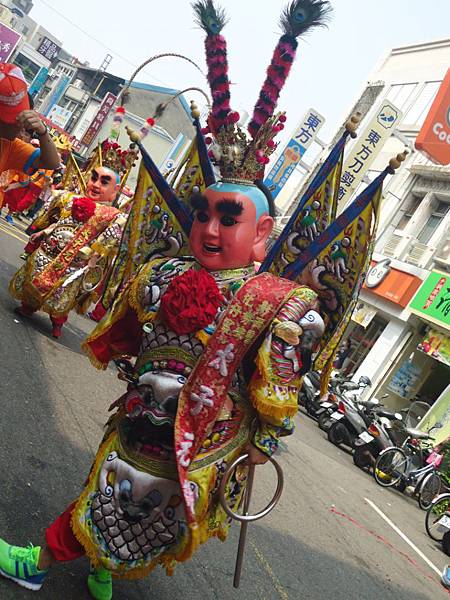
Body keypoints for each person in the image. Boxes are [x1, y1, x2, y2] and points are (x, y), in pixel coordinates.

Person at [1, 3, 381, 599]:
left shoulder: (278, 302)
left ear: (261, 235)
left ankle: (41, 561)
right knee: (108, 481)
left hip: (199, 432)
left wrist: (263, 442)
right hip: (139, 413)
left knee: (126, 493)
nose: (208, 226)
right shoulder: (162, 269)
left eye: (228, 218)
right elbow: (127, 331)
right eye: (202, 212)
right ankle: (101, 567)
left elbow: (278, 386)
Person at [9, 165, 127, 338]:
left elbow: (108, 241)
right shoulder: (69, 199)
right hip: (48, 252)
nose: (95, 184)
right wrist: (43, 231)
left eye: (104, 182)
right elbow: (57, 222)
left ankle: (57, 322)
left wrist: (94, 258)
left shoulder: (114, 216)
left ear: (114, 190)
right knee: (33, 279)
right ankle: (28, 306)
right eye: (94, 178)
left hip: (74, 264)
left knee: (61, 296)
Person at [0, 63, 60, 177]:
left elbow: (52, 162)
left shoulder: (9, 146)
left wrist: (43, 132)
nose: (22, 126)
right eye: (16, 118)